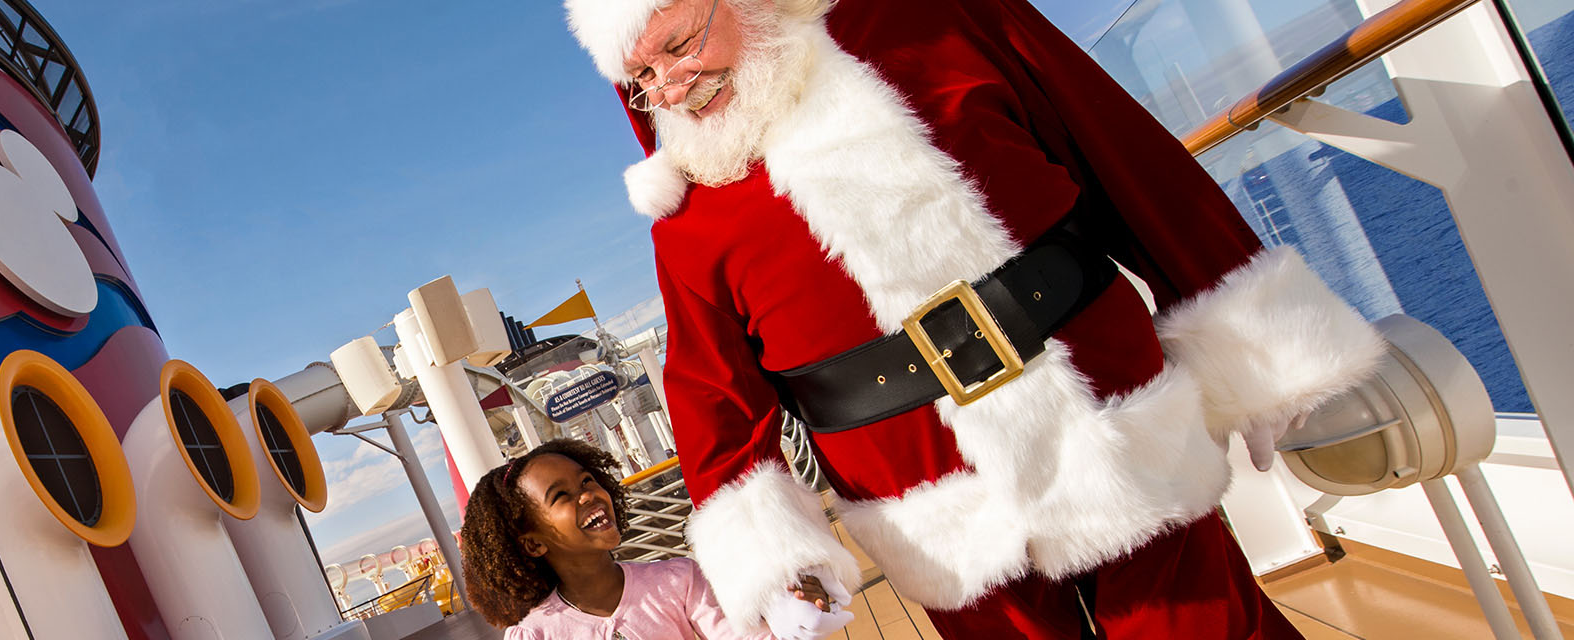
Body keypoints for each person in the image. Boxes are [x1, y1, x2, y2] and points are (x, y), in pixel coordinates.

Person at [560, 0, 1386, 638]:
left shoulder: (938, 21)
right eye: (643, 79)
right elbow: (714, 400)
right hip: (930, 514)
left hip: (1109, 421)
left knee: (1207, 627)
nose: (672, 87)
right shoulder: (689, 217)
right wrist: (774, 562)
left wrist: (1262, 353)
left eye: (680, 46)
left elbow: (1125, 159)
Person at [460, 439, 852, 639]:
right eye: (561, 496)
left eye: (587, 480)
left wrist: (794, 608)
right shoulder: (535, 634)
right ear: (533, 544)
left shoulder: (679, 580)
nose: (588, 495)